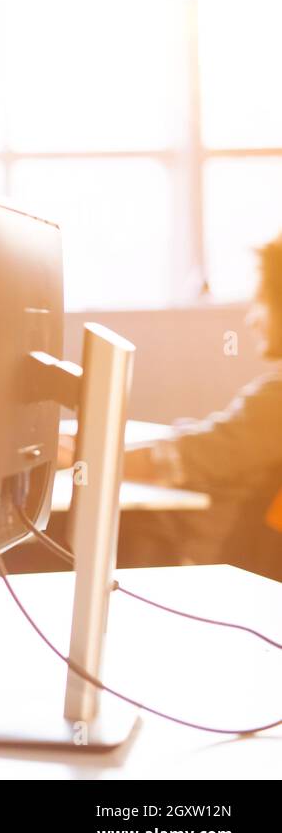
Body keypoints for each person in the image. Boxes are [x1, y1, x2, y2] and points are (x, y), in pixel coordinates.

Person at [61, 232, 282, 580]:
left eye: (261, 302)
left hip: (227, 571)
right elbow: (220, 444)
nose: (252, 319)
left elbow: (181, 460)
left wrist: (81, 456)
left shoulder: (277, 400)